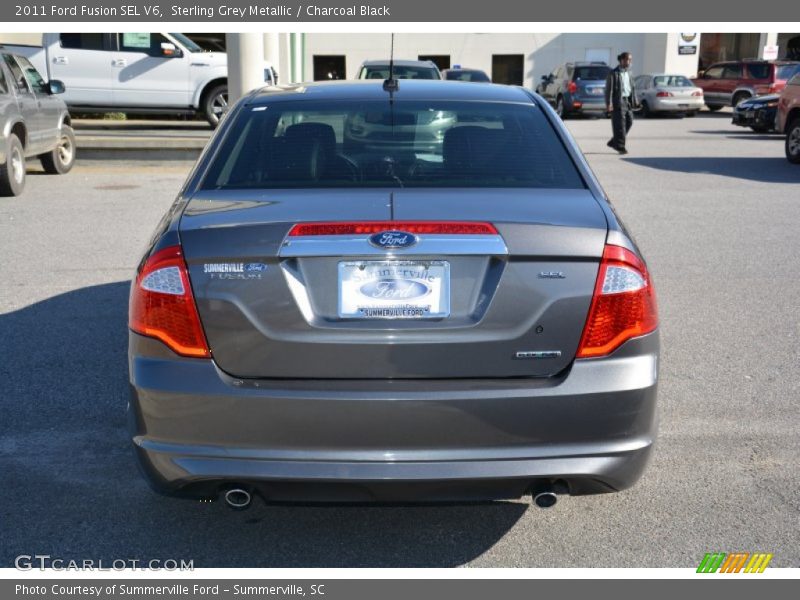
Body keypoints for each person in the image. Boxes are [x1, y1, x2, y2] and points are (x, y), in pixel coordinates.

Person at [605, 52, 638, 154]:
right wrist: (609, 103)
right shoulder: (614, 73)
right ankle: (620, 147)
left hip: (627, 101)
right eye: (627, 59)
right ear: (621, 60)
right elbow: (608, 90)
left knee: (629, 121)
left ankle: (614, 141)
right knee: (620, 126)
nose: (629, 62)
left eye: (630, 60)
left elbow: (632, 88)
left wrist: (635, 100)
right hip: (618, 101)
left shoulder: (629, 72)